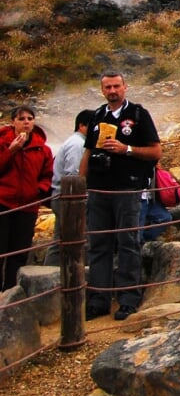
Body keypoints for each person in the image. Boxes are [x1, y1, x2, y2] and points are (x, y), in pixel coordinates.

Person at [80, 72, 161, 321]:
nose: (112, 91)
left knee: (128, 243)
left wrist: (126, 149)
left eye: (116, 86)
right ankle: (99, 300)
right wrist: (79, 185)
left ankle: (128, 299)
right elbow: (88, 152)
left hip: (127, 188)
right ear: (102, 90)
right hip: (98, 190)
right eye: (107, 87)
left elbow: (156, 151)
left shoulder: (138, 115)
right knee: (98, 245)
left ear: (125, 87)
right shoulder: (97, 116)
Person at [0, 105, 53, 291]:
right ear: (13, 121)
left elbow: (47, 174)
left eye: (29, 118)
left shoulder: (42, 149)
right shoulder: (2, 142)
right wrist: (11, 150)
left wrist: (39, 189)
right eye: (21, 119)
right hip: (4, 203)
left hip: (28, 206)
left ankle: (11, 292)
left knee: (19, 253)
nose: (26, 122)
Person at [45, 109, 91, 266]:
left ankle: (51, 271)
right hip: (69, 197)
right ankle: (59, 273)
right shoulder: (77, 144)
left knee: (61, 238)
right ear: (82, 126)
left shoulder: (76, 142)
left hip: (63, 196)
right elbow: (74, 173)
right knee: (70, 238)